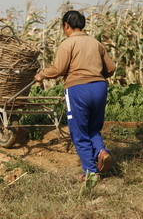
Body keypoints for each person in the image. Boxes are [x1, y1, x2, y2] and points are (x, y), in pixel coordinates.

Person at [34, 10, 116, 180]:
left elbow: (58, 69)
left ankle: (90, 171)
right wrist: (97, 75)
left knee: (78, 131)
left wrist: (41, 75)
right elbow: (111, 69)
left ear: (66, 26)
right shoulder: (96, 43)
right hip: (100, 87)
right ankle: (101, 152)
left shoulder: (67, 44)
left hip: (78, 89)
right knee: (93, 128)